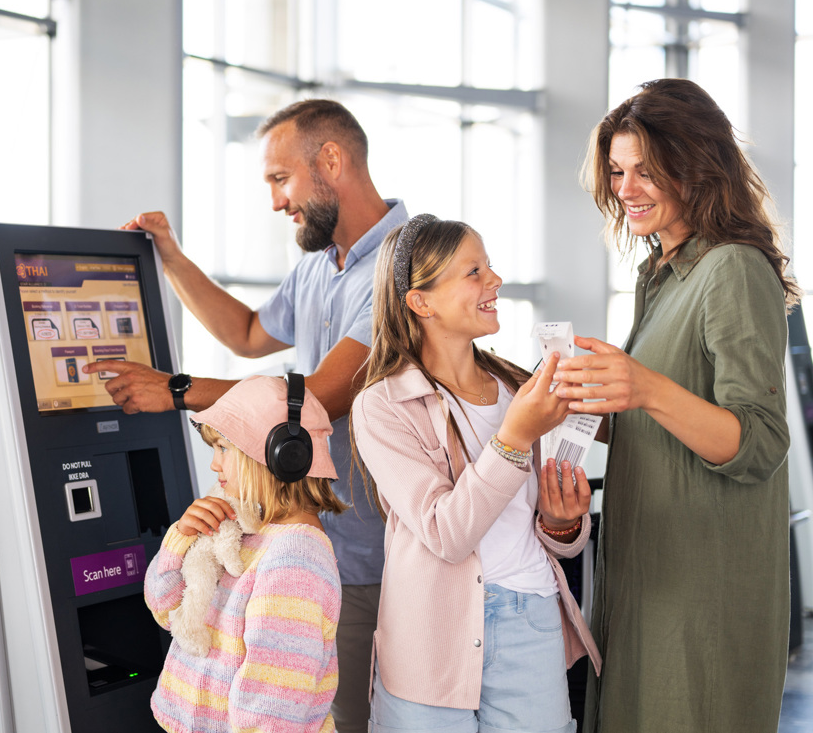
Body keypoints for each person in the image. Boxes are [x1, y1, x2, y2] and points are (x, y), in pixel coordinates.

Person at [87, 99, 408, 732]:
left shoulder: (406, 262)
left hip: (368, 554)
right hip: (296, 539)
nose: (275, 202)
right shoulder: (319, 265)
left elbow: (313, 399)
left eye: (279, 178)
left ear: (332, 160)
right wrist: (171, 257)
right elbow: (248, 331)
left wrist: (176, 390)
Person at [551, 78, 801, 733]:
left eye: (647, 171)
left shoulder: (733, 269)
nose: (626, 188)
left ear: (696, 169)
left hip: (702, 594)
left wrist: (643, 387)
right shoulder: (659, 273)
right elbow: (662, 417)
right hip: (646, 579)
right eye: (617, 171)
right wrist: (594, 402)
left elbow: (761, 439)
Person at [350, 213, 601, 733]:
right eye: (474, 272)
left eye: (489, 267)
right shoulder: (382, 406)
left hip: (531, 618)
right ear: (421, 302)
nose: (495, 281)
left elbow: (552, 541)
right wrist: (513, 439)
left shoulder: (518, 389)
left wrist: (562, 524)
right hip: (430, 632)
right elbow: (446, 532)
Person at [144, 374, 345, 733]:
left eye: (223, 447)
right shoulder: (241, 525)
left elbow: (274, 703)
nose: (214, 464)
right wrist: (181, 538)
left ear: (282, 456)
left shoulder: (296, 558)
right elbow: (165, 609)